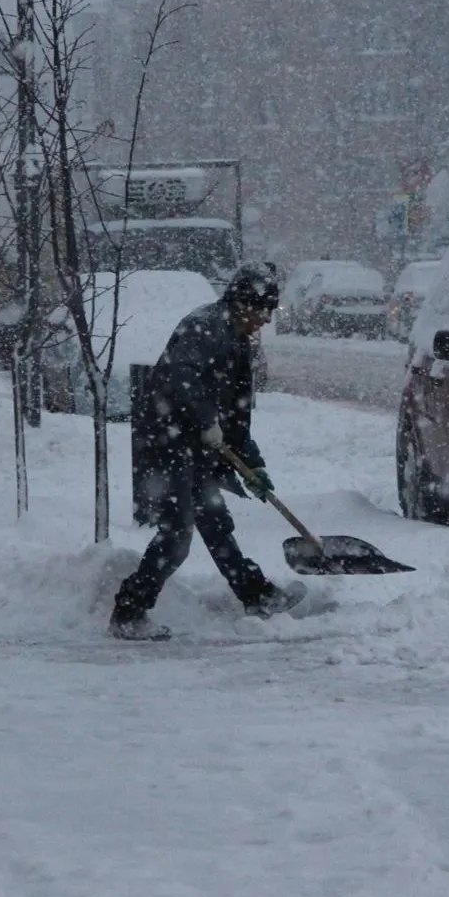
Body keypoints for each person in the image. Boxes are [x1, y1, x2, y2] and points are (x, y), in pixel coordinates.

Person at [109, 263, 305, 641]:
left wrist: (253, 466)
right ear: (242, 303)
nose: (267, 319)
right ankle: (129, 612)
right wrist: (205, 419)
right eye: (263, 309)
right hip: (166, 442)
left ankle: (256, 595)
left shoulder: (239, 341)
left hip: (195, 446)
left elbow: (237, 415)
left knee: (215, 523)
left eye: (271, 310)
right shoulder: (205, 326)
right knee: (176, 535)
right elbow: (180, 374)